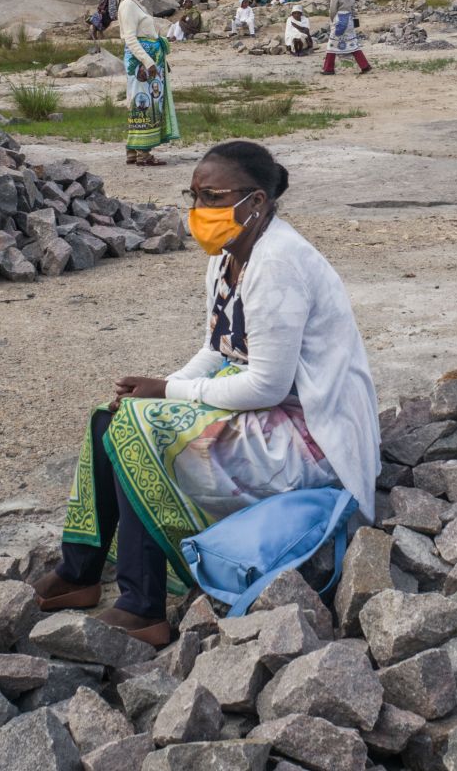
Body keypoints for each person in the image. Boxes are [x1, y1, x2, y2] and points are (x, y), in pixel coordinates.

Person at [33, 141, 380, 646]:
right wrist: (157, 392)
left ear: (256, 201)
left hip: (310, 436)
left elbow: (267, 384)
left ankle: (141, 604)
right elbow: (217, 350)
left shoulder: (278, 262)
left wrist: (170, 390)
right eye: (193, 196)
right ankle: (80, 572)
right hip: (262, 413)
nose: (199, 211)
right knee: (113, 418)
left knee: (140, 429)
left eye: (212, 197)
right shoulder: (228, 257)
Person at [119, 0, 179, 167]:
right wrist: (148, 62)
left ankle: (132, 151)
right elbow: (130, 38)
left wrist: (161, 61)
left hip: (148, 62)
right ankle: (143, 154)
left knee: (139, 103)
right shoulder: (128, 5)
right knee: (144, 103)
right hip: (141, 65)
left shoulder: (137, 4)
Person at [323, 0, 371, 75]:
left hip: (339, 20)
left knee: (332, 44)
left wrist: (332, 21)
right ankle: (364, 65)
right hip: (349, 19)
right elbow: (353, 7)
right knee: (352, 43)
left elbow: (332, 10)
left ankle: (328, 69)